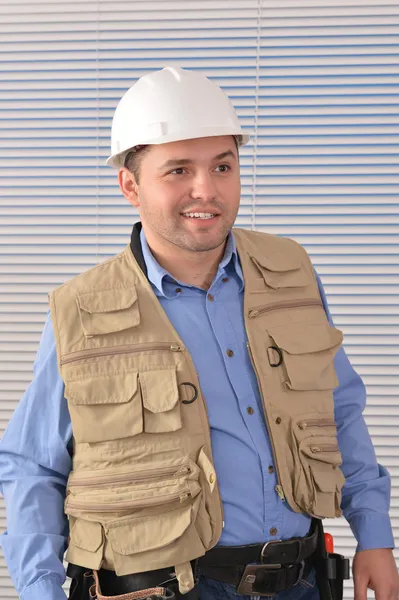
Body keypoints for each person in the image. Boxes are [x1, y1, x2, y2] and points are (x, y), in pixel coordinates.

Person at [0, 66, 397, 600]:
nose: (205, 190)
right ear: (130, 185)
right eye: (178, 170)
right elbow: (34, 465)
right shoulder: (80, 310)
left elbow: (340, 408)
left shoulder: (292, 273)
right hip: (161, 588)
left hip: (300, 579)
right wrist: (40, 589)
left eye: (222, 166)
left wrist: (374, 535)